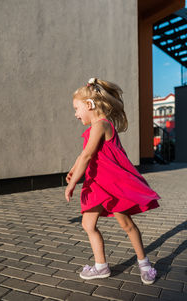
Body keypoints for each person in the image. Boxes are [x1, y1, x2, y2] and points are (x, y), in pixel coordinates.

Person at [65, 78, 160, 284]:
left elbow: (87, 156)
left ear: (89, 105)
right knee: (88, 224)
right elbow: (83, 155)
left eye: (76, 108)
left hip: (112, 186)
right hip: (96, 185)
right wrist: (73, 171)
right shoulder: (93, 129)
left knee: (127, 225)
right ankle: (101, 266)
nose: (75, 114)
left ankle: (144, 263)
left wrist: (73, 184)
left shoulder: (102, 125)